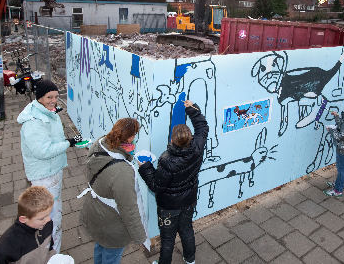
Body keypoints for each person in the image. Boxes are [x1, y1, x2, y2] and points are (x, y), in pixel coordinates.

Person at [138, 100, 209, 264]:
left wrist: (145, 167)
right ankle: (190, 259)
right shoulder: (197, 147)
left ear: (172, 139)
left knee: (168, 238)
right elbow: (203, 127)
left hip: (169, 207)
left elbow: (156, 185)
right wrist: (193, 109)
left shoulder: (167, 160)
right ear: (190, 137)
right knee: (186, 230)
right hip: (189, 201)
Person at [18, 80, 81, 252]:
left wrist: (53, 113)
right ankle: (51, 254)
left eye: (56, 96)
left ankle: (49, 249)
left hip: (50, 171)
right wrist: (69, 143)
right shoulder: (34, 122)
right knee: (51, 219)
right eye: (49, 97)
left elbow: (49, 138)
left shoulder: (43, 112)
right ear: (39, 97)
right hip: (45, 175)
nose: (53, 100)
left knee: (50, 215)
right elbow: (43, 151)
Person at [79, 118, 147, 264]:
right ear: (130, 138)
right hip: (112, 226)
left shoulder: (100, 144)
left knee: (100, 247)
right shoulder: (123, 171)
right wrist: (140, 237)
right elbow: (129, 209)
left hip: (95, 213)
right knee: (111, 257)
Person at [0, 186, 59, 263]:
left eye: (49, 214)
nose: (49, 219)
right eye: (41, 218)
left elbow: (49, 246)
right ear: (23, 219)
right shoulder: (4, 248)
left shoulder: (46, 224)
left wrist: (53, 257)